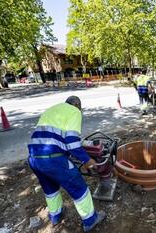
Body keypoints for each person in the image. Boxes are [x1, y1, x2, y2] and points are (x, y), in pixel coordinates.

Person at [27, 96, 106, 232]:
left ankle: (55, 216)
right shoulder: (74, 112)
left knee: (50, 189)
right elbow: (72, 143)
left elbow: (55, 137)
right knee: (80, 188)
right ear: (77, 105)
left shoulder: (52, 110)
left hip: (34, 158)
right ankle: (90, 220)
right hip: (53, 159)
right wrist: (87, 160)